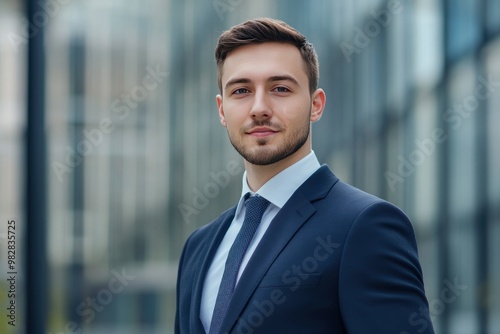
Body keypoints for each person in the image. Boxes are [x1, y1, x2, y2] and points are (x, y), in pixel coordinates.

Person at [175, 18, 434, 334]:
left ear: (316, 104)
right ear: (221, 110)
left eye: (280, 88)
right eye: (241, 90)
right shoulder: (198, 246)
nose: (259, 107)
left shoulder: (366, 226)